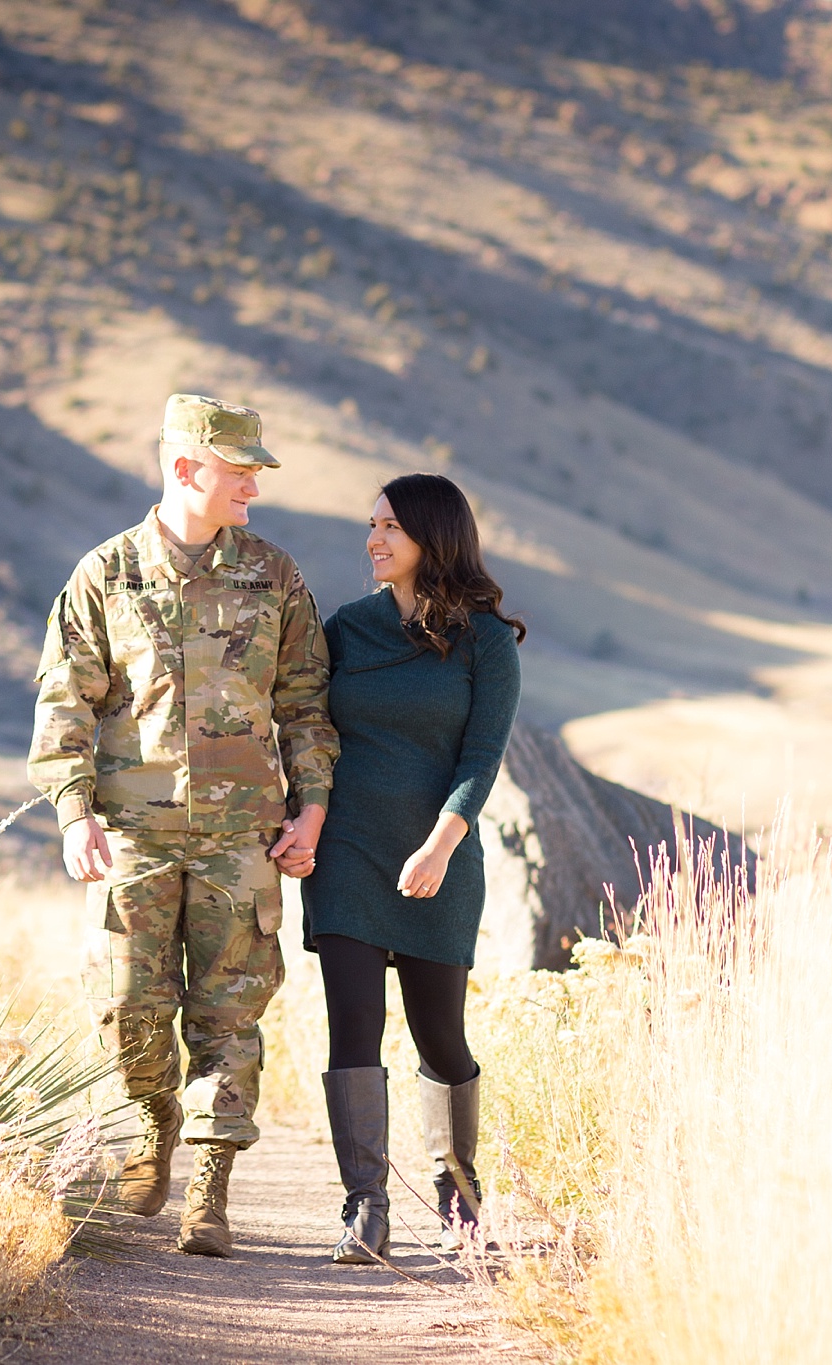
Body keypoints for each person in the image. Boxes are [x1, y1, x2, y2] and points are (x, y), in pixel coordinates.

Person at [28, 393, 339, 1257]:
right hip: (132, 833)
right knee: (129, 1007)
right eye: (238, 471)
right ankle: (152, 1117)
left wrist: (311, 808)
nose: (252, 486)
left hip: (244, 838)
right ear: (184, 467)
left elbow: (306, 703)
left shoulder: (274, 577)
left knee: (230, 1013)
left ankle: (209, 1187)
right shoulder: (107, 574)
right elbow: (66, 703)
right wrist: (72, 812)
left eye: (253, 471)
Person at [299, 472, 525, 1264]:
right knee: (353, 1023)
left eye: (391, 526)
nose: (374, 539)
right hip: (349, 857)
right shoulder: (346, 631)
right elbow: (308, 729)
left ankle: (459, 1196)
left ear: (434, 535)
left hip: (440, 857)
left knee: (441, 1038)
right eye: (371, 525)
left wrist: (440, 842)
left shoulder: (488, 640)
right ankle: (365, 1207)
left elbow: (481, 754)